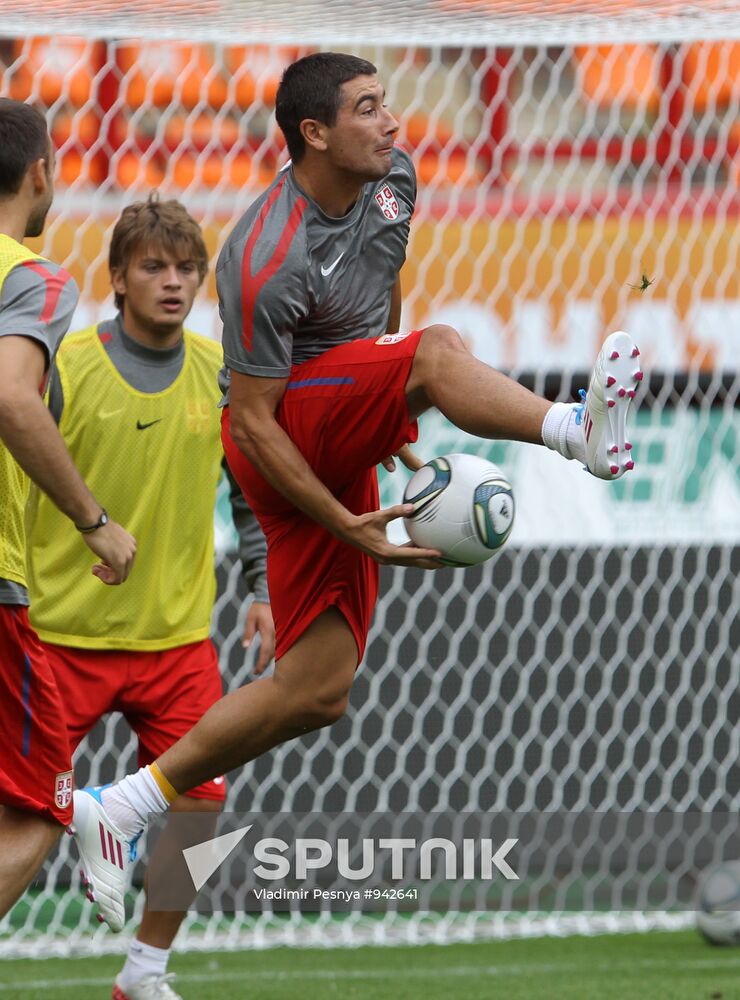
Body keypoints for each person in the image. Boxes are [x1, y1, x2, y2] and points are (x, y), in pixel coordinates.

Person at [71, 53, 643, 932]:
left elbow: (379, 307)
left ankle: (129, 810)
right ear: (313, 133)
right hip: (278, 438)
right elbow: (255, 422)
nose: (395, 123)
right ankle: (578, 434)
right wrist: (348, 518)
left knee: (319, 688)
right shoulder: (263, 255)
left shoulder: (394, 185)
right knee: (438, 347)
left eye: (389, 105)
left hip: (333, 431)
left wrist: (391, 426)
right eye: (369, 109)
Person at [24, 195, 273, 1000]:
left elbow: (251, 491)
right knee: (23, 821)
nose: (174, 282)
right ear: (118, 280)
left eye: (187, 269)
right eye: (154, 267)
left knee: (206, 803)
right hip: (59, 636)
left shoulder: (219, 373)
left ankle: (145, 971)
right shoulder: (64, 369)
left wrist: (261, 587)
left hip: (175, 640)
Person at [0, 99, 137, 920]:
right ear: (41, 172)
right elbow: (14, 401)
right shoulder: (33, 277)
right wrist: (96, 522)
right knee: (40, 804)